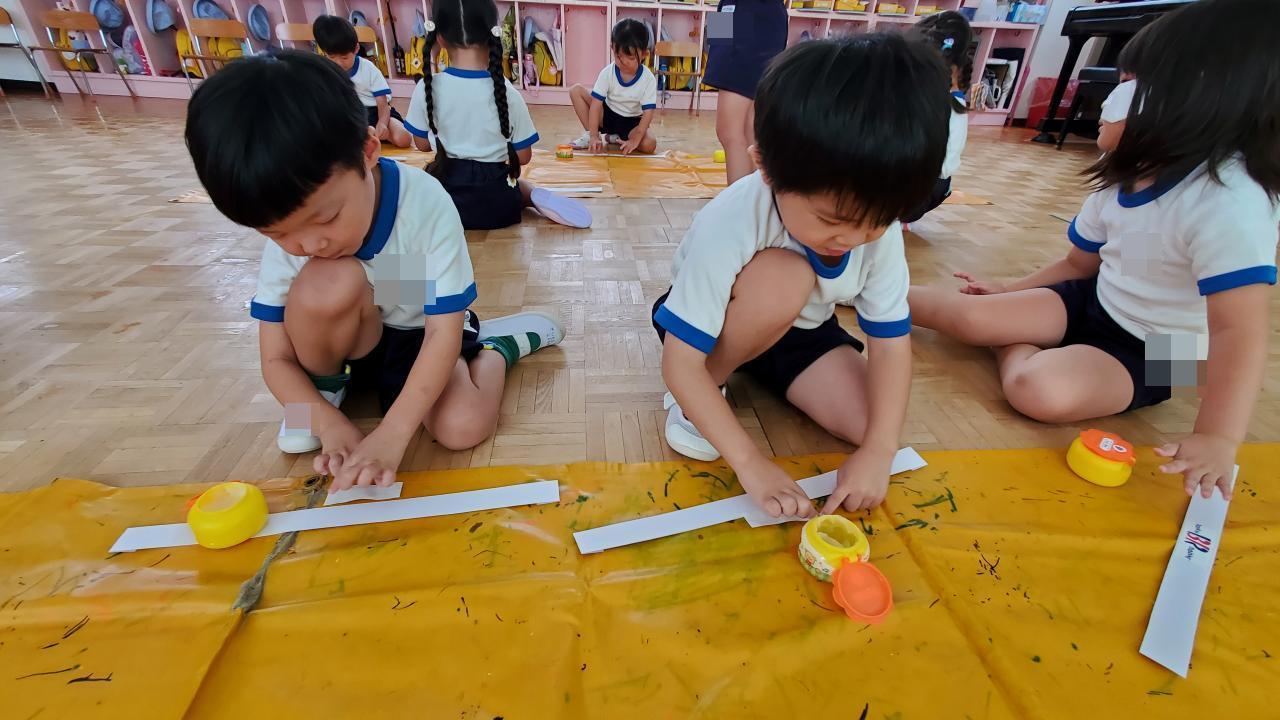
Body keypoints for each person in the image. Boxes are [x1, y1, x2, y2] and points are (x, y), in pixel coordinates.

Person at [909, 0, 1279, 501]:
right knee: (970, 316)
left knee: (1039, 392)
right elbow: (1077, 265)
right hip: (1095, 302)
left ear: (1203, 98)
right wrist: (1007, 292)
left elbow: (1240, 331)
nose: (1112, 96)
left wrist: (1217, 436)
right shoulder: (1125, 176)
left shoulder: (1231, 200)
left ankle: (1013, 344)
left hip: (1166, 352)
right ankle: (863, 289)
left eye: (1134, 83)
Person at [185, 51, 566, 490]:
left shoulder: (424, 202)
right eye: (276, 233)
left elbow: (440, 334)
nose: (307, 245)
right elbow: (275, 359)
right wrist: (323, 421)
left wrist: (393, 434)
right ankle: (326, 389)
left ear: (368, 151)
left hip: (418, 326)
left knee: (462, 428)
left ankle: (496, 347)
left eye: (326, 219)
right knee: (330, 279)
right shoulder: (293, 219)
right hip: (348, 336)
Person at [653, 34, 951, 518]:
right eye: (832, 219)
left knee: (870, 422)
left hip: (802, 330)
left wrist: (879, 450)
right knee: (787, 278)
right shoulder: (732, 216)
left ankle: (762, 369)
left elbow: (891, 344)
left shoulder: (875, 227)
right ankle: (705, 392)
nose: (854, 238)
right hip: (714, 326)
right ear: (767, 169)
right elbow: (679, 363)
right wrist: (751, 463)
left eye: (878, 220)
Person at [404, 0, 592, 230]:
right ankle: (530, 194)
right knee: (518, 185)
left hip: (447, 204)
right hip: (497, 204)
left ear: (440, 38)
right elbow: (524, 156)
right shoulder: (507, 92)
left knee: (419, 181)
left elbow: (422, 144)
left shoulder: (426, 88)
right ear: (493, 35)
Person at [702, 0, 788, 185]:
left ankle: (741, 201)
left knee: (730, 131)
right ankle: (754, 198)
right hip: (734, 11)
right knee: (749, 130)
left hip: (745, 13)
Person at [901, 10, 972, 223]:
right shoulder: (953, 100)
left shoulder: (936, 104)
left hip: (919, 191)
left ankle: (893, 216)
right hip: (932, 187)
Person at [313, 15, 411, 149]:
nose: (338, 63)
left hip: (377, 112)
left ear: (356, 49)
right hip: (352, 118)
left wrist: (382, 123)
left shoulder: (368, 68)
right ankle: (369, 137)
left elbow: (382, 103)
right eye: (331, 57)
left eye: (344, 57)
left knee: (404, 139)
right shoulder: (327, 72)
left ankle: (379, 135)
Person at [567, 19, 658, 155]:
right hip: (607, 116)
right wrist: (593, 135)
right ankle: (591, 136)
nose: (624, 62)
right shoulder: (607, 73)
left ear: (644, 54)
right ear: (612, 48)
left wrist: (637, 138)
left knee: (650, 144)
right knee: (575, 90)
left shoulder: (648, 79)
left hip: (632, 123)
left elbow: (648, 113)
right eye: (619, 56)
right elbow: (596, 105)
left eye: (631, 58)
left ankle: (616, 138)